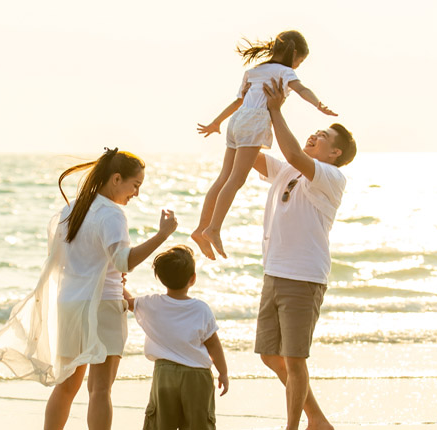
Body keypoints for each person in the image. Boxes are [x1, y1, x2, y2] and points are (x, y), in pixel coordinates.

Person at [0, 147, 179, 430]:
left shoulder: (71, 209)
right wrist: (162, 235)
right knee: (99, 390)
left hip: (71, 305)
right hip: (102, 307)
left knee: (66, 387)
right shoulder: (113, 214)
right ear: (116, 179)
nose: (136, 193)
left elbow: (69, 261)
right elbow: (124, 261)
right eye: (135, 185)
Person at [251, 77, 356, 430]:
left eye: (323, 136)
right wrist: (253, 105)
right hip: (275, 271)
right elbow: (249, 152)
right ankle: (318, 420)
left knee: (294, 359)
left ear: (335, 154)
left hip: (304, 275)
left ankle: (294, 426)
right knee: (270, 355)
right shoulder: (288, 171)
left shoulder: (330, 176)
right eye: (315, 132)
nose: (315, 136)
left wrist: (277, 110)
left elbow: (293, 152)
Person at [192, 30, 337, 260]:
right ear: (294, 54)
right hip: (254, 122)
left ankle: (201, 229)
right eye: (300, 61)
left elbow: (239, 101)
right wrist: (318, 104)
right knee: (236, 180)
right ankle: (213, 229)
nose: (298, 66)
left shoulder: (253, 71)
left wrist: (216, 122)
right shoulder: (286, 72)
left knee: (223, 178)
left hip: (236, 122)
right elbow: (302, 90)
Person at [125, 245, 229, 430]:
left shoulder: (152, 303)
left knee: (161, 423)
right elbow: (213, 345)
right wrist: (223, 373)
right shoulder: (201, 309)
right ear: (193, 279)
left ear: (160, 279)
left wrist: (118, 283)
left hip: (165, 374)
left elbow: (127, 303)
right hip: (197, 376)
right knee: (199, 423)